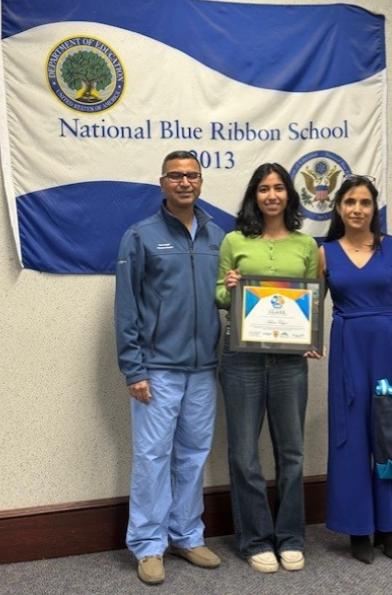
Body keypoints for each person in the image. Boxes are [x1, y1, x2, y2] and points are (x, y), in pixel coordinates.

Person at [115, 150, 224, 585]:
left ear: (201, 182)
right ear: (162, 182)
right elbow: (126, 308)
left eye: (191, 175)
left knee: (194, 455)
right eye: (175, 176)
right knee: (152, 456)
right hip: (156, 369)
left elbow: (225, 297)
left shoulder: (218, 235)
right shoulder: (140, 236)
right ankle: (147, 544)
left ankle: (187, 534)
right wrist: (133, 368)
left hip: (203, 369)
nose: (184, 182)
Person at [215, 162, 319, 573]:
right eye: (263, 189)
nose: (271, 195)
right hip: (241, 360)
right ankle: (255, 538)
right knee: (244, 454)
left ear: (289, 195)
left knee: (291, 452)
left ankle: (291, 536)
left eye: (279, 188)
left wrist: (311, 339)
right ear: (254, 196)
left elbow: (314, 299)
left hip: (290, 362)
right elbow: (219, 295)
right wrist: (232, 287)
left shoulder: (306, 246)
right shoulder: (233, 240)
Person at [318, 174, 392, 565]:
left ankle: (389, 527)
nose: (357, 209)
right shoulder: (325, 253)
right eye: (350, 202)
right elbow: (310, 307)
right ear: (339, 208)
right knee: (351, 438)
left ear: (373, 208)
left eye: (364, 202)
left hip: (389, 349)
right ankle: (358, 529)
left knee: (390, 438)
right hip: (348, 353)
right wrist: (308, 342)